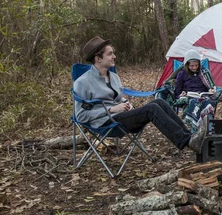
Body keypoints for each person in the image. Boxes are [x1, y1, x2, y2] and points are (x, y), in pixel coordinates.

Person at [73, 37, 207, 154]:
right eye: (110, 54)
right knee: (151, 109)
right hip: (105, 123)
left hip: (120, 117)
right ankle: (186, 141)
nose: (114, 56)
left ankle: (191, 137)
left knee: (159, 102)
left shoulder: (113, 77)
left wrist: (126, 103)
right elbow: (80, 115)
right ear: (98, 59)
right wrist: (111, 109)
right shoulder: (83, 82)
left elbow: (119, 98)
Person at [174, 49, 216, 132]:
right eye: (192, 66)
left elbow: (210, 87)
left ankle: (209, 127)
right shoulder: (181, 74)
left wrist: (211, 90)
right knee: (195, 103)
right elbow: (177, 92)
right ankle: (195, 129)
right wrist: (181, 95)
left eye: (196, 65)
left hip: (203, 96)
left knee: (207, 103)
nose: (194, 67)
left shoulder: (204, 72)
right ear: (187, 65)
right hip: (189, 97)